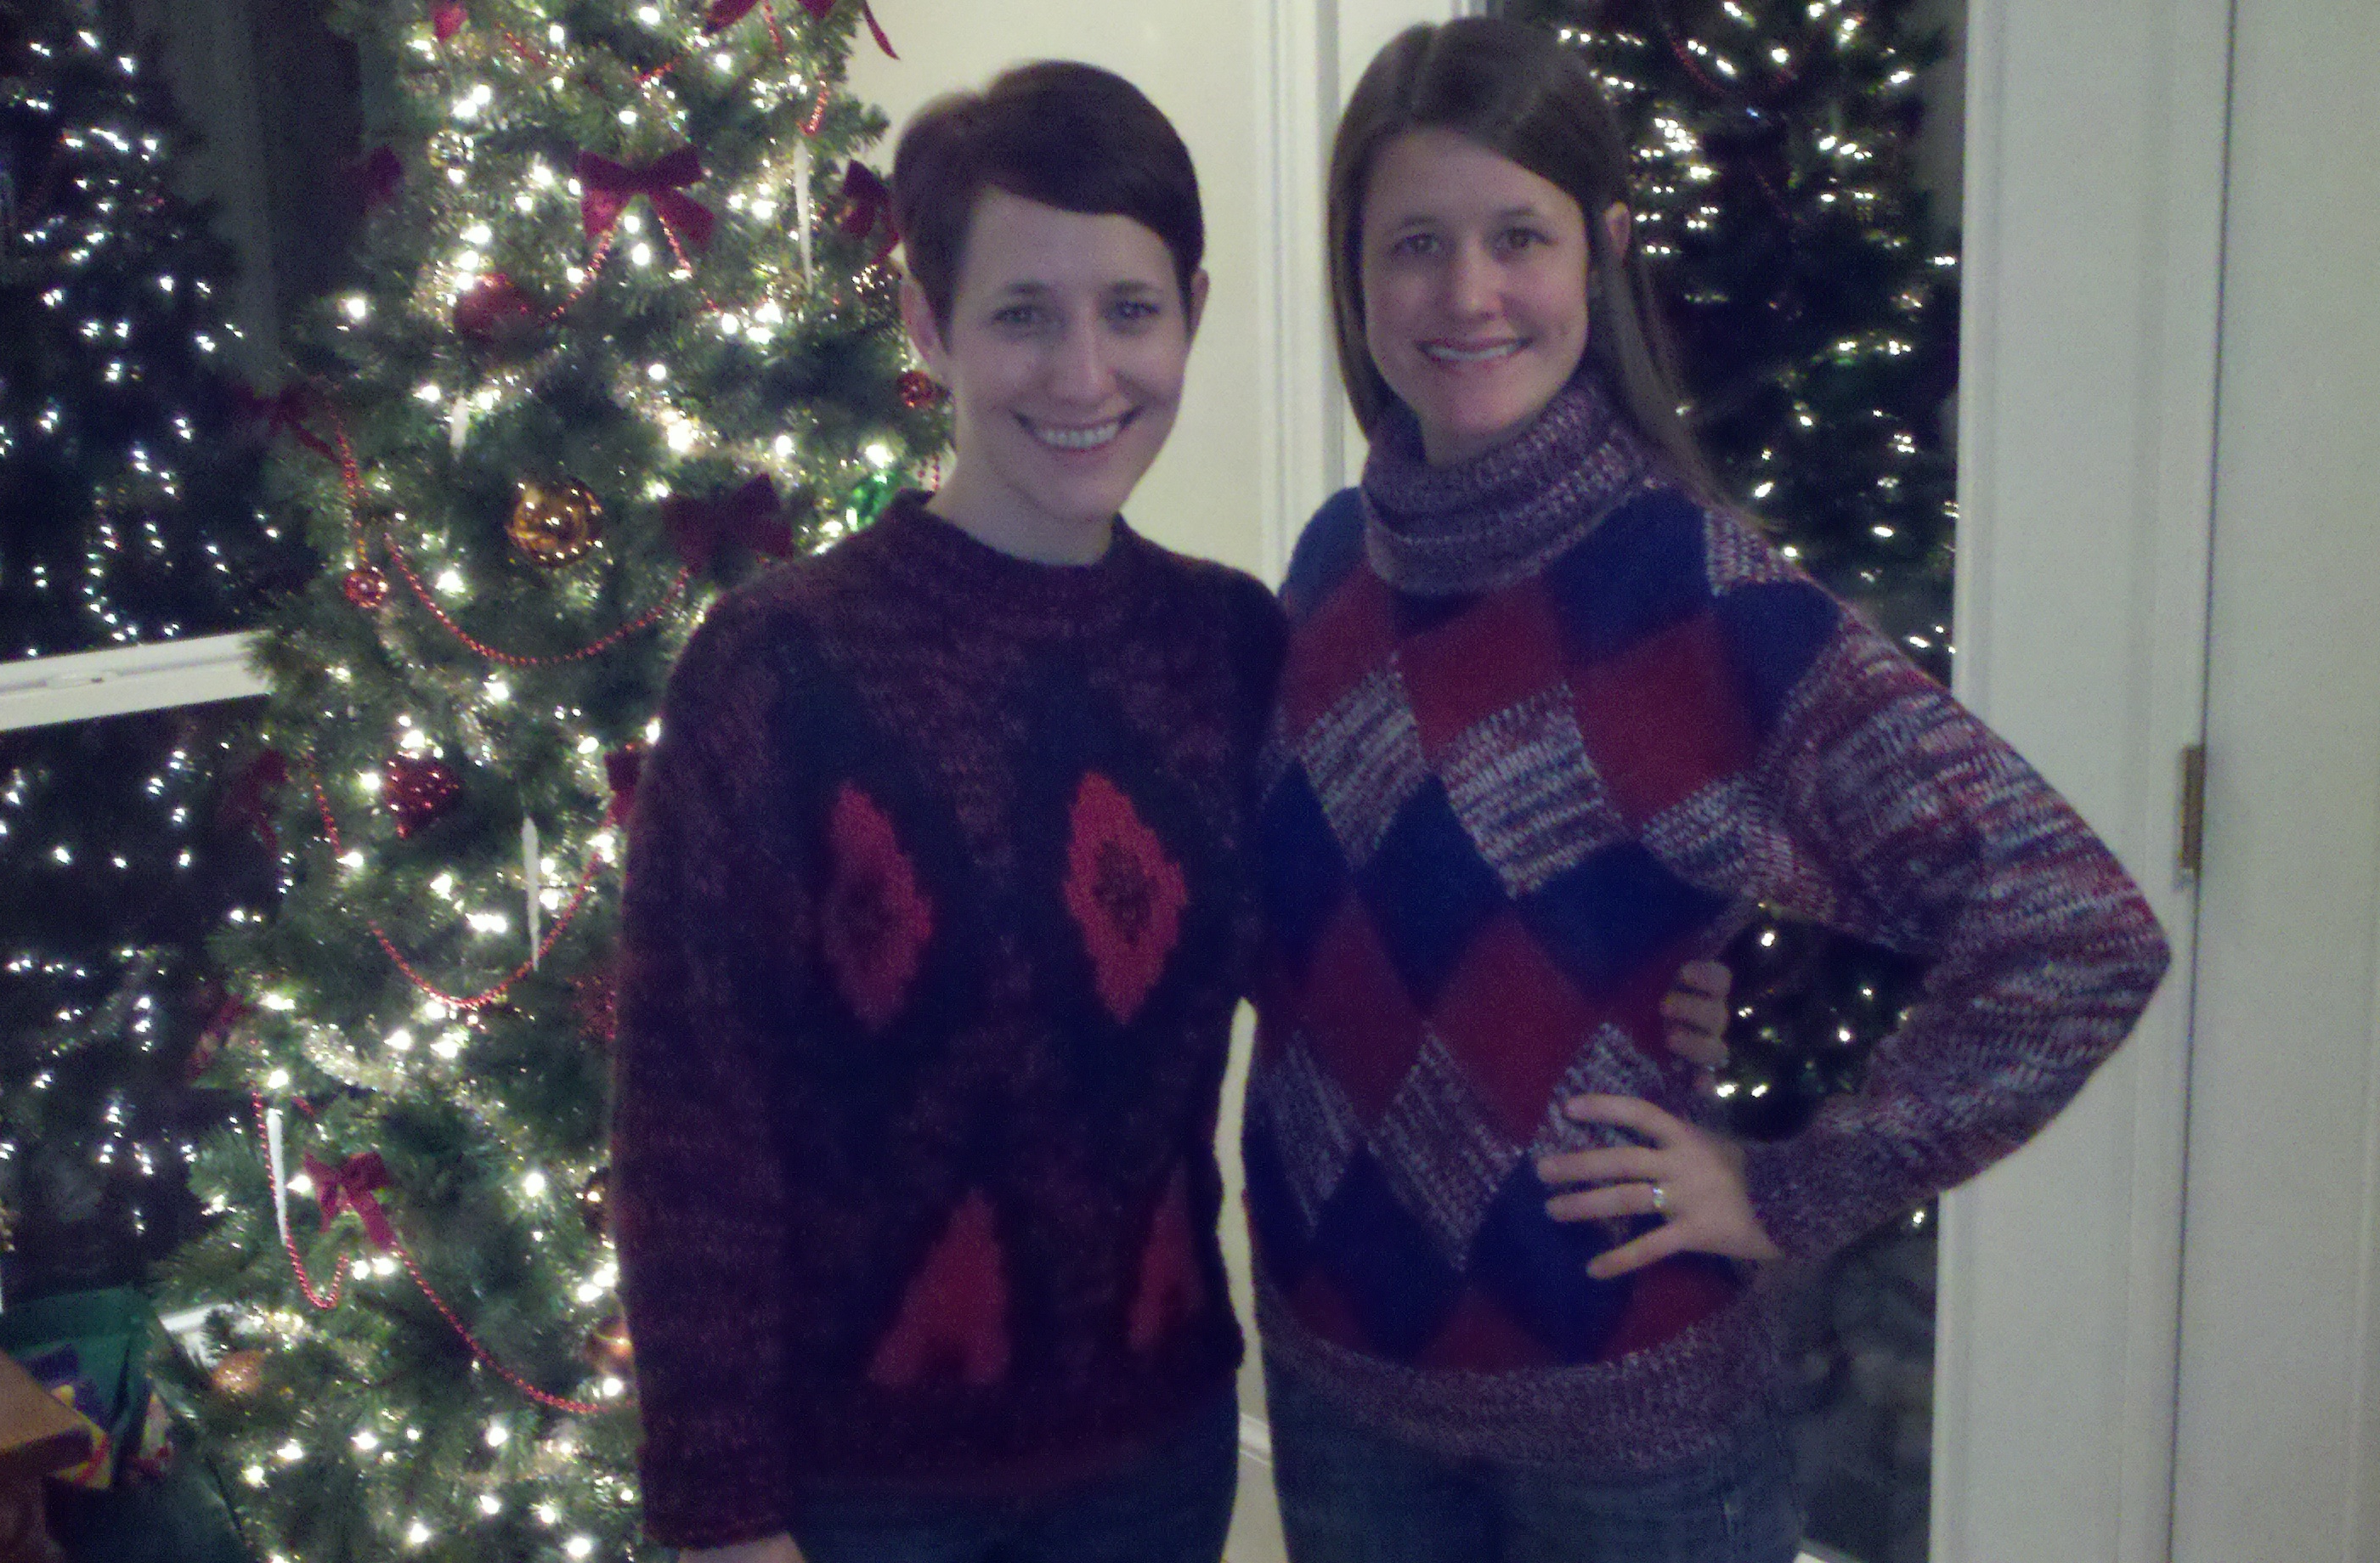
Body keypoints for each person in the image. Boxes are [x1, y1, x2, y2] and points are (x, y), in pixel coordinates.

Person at [1242, 18, 2172, 1563]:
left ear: (1602, 251)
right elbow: (1318, 933)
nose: (1466, 293)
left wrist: (1792, 1187)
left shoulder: (1693, 593)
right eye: (1415, 243)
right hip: (1342, 1393)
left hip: (1630, 1429)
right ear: (1355, 272)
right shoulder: (1336, 562)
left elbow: (2074, 928)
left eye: (1518, 237)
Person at [611, 60, 1274, 1563]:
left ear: (1191, 314)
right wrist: (721, 1516)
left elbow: (1344, 969)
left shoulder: (1232, 646)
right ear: (928, 325)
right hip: (864, 1493)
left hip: (1157, 1459)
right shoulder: (778, 667)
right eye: (1023, 314)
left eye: (1130, 310)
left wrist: (1657, 985)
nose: (1084, 375)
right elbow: (689, 1120)